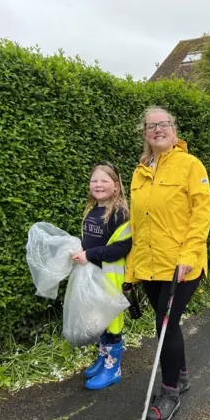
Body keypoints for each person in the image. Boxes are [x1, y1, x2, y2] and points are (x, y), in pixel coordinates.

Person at [124, 107, 210, 420]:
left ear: (173, 130)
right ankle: (183, 376)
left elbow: (201, 215)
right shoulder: (140, 170)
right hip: (149, 264)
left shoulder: (191, 165)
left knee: (164, 324)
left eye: (163, 124)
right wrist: (131, 268)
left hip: (181, 263)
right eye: (151, 126)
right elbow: (138, 223)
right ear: (145, 133)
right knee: (166, 324)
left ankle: (170, 391)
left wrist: (188, 257)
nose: (157, 129)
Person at [72, 162, 133, 390]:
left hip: (112, 279)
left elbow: (121, 248)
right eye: (94, 180)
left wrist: (89, 254)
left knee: (113, 324)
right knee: (99, 321)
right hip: (94, 277)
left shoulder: (121, 214)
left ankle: (113, 368)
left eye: (104, 181)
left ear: (116, 186)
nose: (98, 185)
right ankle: (102, 360)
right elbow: (90, 241)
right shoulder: (92, 210)